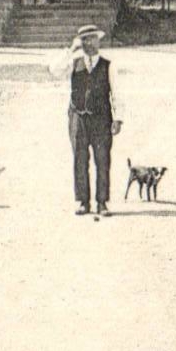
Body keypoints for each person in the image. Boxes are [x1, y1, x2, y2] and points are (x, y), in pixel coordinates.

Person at [50, 25, 122, 217]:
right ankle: (83, 201)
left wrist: (118, 119)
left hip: (101, 119)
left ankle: (102, 202)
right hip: (78, 118)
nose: (89, 43)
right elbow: (54, 70)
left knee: (102, 160)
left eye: (92, 39)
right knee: (79, 160)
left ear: (98, 41)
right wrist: (70, 50)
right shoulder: (73, 63)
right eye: (84, 40)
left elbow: (116, 93)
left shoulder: (108, 65)